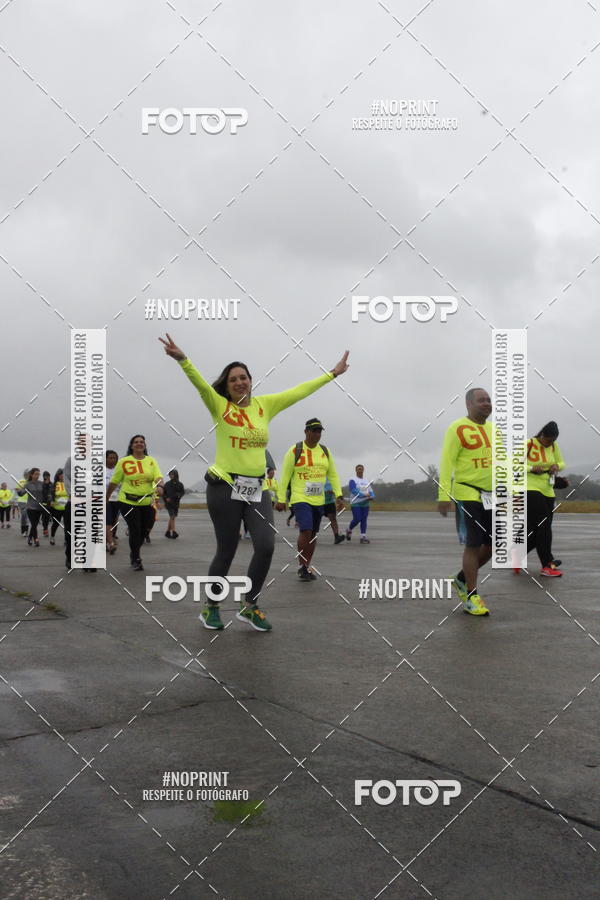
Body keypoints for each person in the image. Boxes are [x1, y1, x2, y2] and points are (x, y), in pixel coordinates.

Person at [160, 332, 349, 631]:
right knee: (227, 550)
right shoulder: (220, 406)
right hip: (224, 487)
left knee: (265, 545)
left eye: (244, 377)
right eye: (233, 379)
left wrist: (332, 374)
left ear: (251, 380)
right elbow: (199, 384)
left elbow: (299, 391)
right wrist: (183, 360)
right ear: (227, 385)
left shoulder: (264, 406)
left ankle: (249, 605)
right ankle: (211, 607)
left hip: (256, 489)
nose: (239, 382)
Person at [438, 388, 495, 616]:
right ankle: (471, 596)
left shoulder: (494, 430)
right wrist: (443, 495)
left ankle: (461, 578)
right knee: (473, 544)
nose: (487, 403)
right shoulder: (457, 428)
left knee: (493, 545)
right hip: (467, 494)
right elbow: (446, 463)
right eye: (481, 400)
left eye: (489, 400)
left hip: (491, 496)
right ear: (468, 404)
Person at [276, 418, 344, 581]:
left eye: (319, 431)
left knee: (313, 534)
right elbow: (285, 476)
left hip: (318, 500)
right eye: (314, 431)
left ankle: (306, 566)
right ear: (306, 431)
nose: (317, 434)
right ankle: (301, 565)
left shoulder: (325, 451)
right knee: (305, 529)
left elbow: (333, 475)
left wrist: (339, 495)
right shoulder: (295, 450)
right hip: (300, 498)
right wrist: (281, 498)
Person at [106, 435, 164, 571]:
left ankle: (134, 551)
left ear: (145, 445)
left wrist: (161, 486)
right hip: (127, 501)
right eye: (136, 442)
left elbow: (158, 477)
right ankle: (136, 558)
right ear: (131, 446)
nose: (139, 444)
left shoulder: (151, 461)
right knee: (135, 529)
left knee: (145, 530)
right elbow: (114, 482)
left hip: (147, 502)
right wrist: (106, 497)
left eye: (142, 442)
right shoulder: (124, 462)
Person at [519, 421, 566, 577]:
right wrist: (531, 468)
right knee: (544, 525)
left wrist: (557, 467)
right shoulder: (529, 444)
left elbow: (561, 462)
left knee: (538, 529)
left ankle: (517, 554)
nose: (550, 444)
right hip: (529, 488)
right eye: (548, 440)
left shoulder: (553, 446)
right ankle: (547, 565)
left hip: (548, 490)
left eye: (553, 441)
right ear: (542, 435)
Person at [346, 465, 374, 544]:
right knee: (357, 519)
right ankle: (349, 530)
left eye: (361, 469)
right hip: (356, 502)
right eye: (358, 469)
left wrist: (372, 496)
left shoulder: (366, 480)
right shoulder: (352, 480)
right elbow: (353, 490)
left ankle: (363, 537)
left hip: (365, 503)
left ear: (363, 470)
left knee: (364, 519)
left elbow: (370, 491)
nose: (360, 470)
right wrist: (363, 495)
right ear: (356, 470)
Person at [19, 468, 45, 547]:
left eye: (38, 474)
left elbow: (46, 492)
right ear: (31, 475)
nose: (37, 476)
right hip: (30, 507)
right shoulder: (27, 484)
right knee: (34, 524)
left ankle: (30, 537)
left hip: (39, 507)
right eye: (36, 474)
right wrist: (19, 491)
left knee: (35, 525)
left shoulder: (41, 483)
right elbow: (22, 493)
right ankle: (36, 539)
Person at [105, 449, 120, 555]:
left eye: (114, 458)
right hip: (105, 499)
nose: (113, 460)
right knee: (108, 521)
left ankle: (109, 540)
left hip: (117, 499)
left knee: (114, 521)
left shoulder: (118, 470)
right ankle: (111, 543)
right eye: (110, 458)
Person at [164, 468, 185, 539]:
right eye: (170, 475)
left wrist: (179, 495)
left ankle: (167, 532)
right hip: (169, 503)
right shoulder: (167, 484)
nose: (171, 476)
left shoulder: (180, 484)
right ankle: (174, 532)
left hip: (176, 503)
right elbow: (163, 493)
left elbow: (182, 492)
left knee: (172, 518)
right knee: (172, 517)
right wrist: (166, 498)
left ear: (176, 475)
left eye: (172, 474)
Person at [323, 478, 345, 543]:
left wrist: (339, 499)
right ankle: (311, 537)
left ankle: (336, 537)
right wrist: (326, 491)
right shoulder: (317, 476)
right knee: (315, 520)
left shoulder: (331, 477)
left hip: (330, 502)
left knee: (333, 519)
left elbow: (336, 488)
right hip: (319, 502)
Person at [49, 470, 68, 545]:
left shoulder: (68, 484)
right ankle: (52, 537)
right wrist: (51, 501)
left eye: (63, 475)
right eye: (61, 475)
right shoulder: (55, 484)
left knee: (67, 525)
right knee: (56, 523)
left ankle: (66, 540)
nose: (62, 476)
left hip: (66, 507)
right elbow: (51, 494)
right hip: (57, 508)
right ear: (58, 476)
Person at [16, 470, 29, 535]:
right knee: (24, 515)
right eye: (27, 474)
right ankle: (23, 529)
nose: (28, 475)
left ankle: (26, 531)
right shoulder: (21, 481)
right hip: (21, 501)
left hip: (30, 501)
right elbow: (17, 489)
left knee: (27, 516)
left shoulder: (31, 481)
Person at [41, 471, 52, 537]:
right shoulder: (41, 484)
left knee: (48, 518)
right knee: (45, 517)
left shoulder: (52, 484)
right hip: (44, 503)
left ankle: (46, 529)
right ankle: (45, 529)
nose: (46, 477)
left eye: (48, 476)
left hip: (51, 503)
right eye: (45, 476)